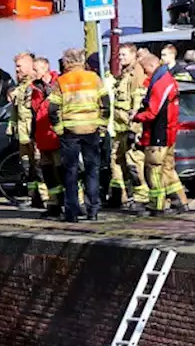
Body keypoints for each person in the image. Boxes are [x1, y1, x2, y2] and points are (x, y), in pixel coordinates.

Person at [49, 48, 108, 222]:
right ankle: (93, 210)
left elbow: (53, 109)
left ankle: (72, 212)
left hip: (70, 132)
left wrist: (59, 129)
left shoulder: (61, 81)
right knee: (92, 170)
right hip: (91, 129)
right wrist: (102, 127)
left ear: (67, 62)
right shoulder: (94, 78)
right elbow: (105, 104)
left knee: (71, 172)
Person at [133, 49, 188, 216]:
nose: (143, 73)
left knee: (154, 169)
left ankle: (157, 206)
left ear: (152, 65)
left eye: (144, 68)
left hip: (159, 134)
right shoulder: (166, 79)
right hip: (168, 132)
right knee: (167, 169)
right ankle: (180, 201)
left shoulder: (160, 83)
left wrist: (136, 116)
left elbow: (153, 112)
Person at [109, 44, 149, 214]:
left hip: (131, 128)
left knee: (134, 164)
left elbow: (138, 105)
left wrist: (135, 129)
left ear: (134, 55)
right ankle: (121, 196)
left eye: (124, 55)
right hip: (120, 130)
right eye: (120, 55)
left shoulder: (136, 75)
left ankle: (142, 198)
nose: (121, 58)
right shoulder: (124, 75)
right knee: (116, 161)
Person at [7, 52, 45, 209]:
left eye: (19, 67)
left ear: (30, 66)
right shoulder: (20, 88)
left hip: (34, 135)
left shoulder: (35, 86)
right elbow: (15, 113)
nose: (17, 70)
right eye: (15, 67)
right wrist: (11, 130)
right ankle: (33, 198)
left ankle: (46, 199)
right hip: (23, 136)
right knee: (27, 167)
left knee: (39, 166)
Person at [30, 57, 63, 216]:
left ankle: (71, 203)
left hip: (56, 135)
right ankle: (53, 204)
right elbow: (34, 113)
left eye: (36, 69)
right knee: (47, 173)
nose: (33, 72)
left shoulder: (59, 84)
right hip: (42, 137)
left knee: (61, 171)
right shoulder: (35, 89)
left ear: (45, 68)